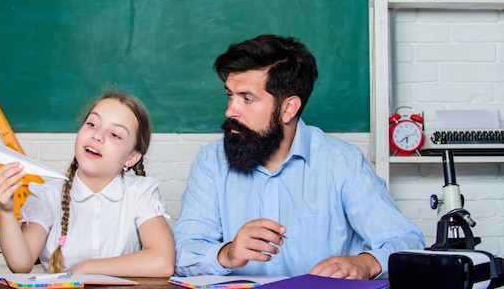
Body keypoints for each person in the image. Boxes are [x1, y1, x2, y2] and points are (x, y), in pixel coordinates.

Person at [173, 34, 425, 280]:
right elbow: (184, 252)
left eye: (247, 99)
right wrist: (226, 254)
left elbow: (406, 242)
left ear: (288, 108)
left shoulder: (342, 162)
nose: (230, 111)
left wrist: (366, 263)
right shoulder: (211, 162)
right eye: (230, 95)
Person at [0, 92, 175, 276]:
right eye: (92, 124)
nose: (97, 136)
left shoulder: (140, 193)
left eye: (115, 135)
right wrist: (4, 210)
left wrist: (87, 268)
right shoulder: (47, 195)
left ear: (131, 158)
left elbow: (163, 261)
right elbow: (21, 264)